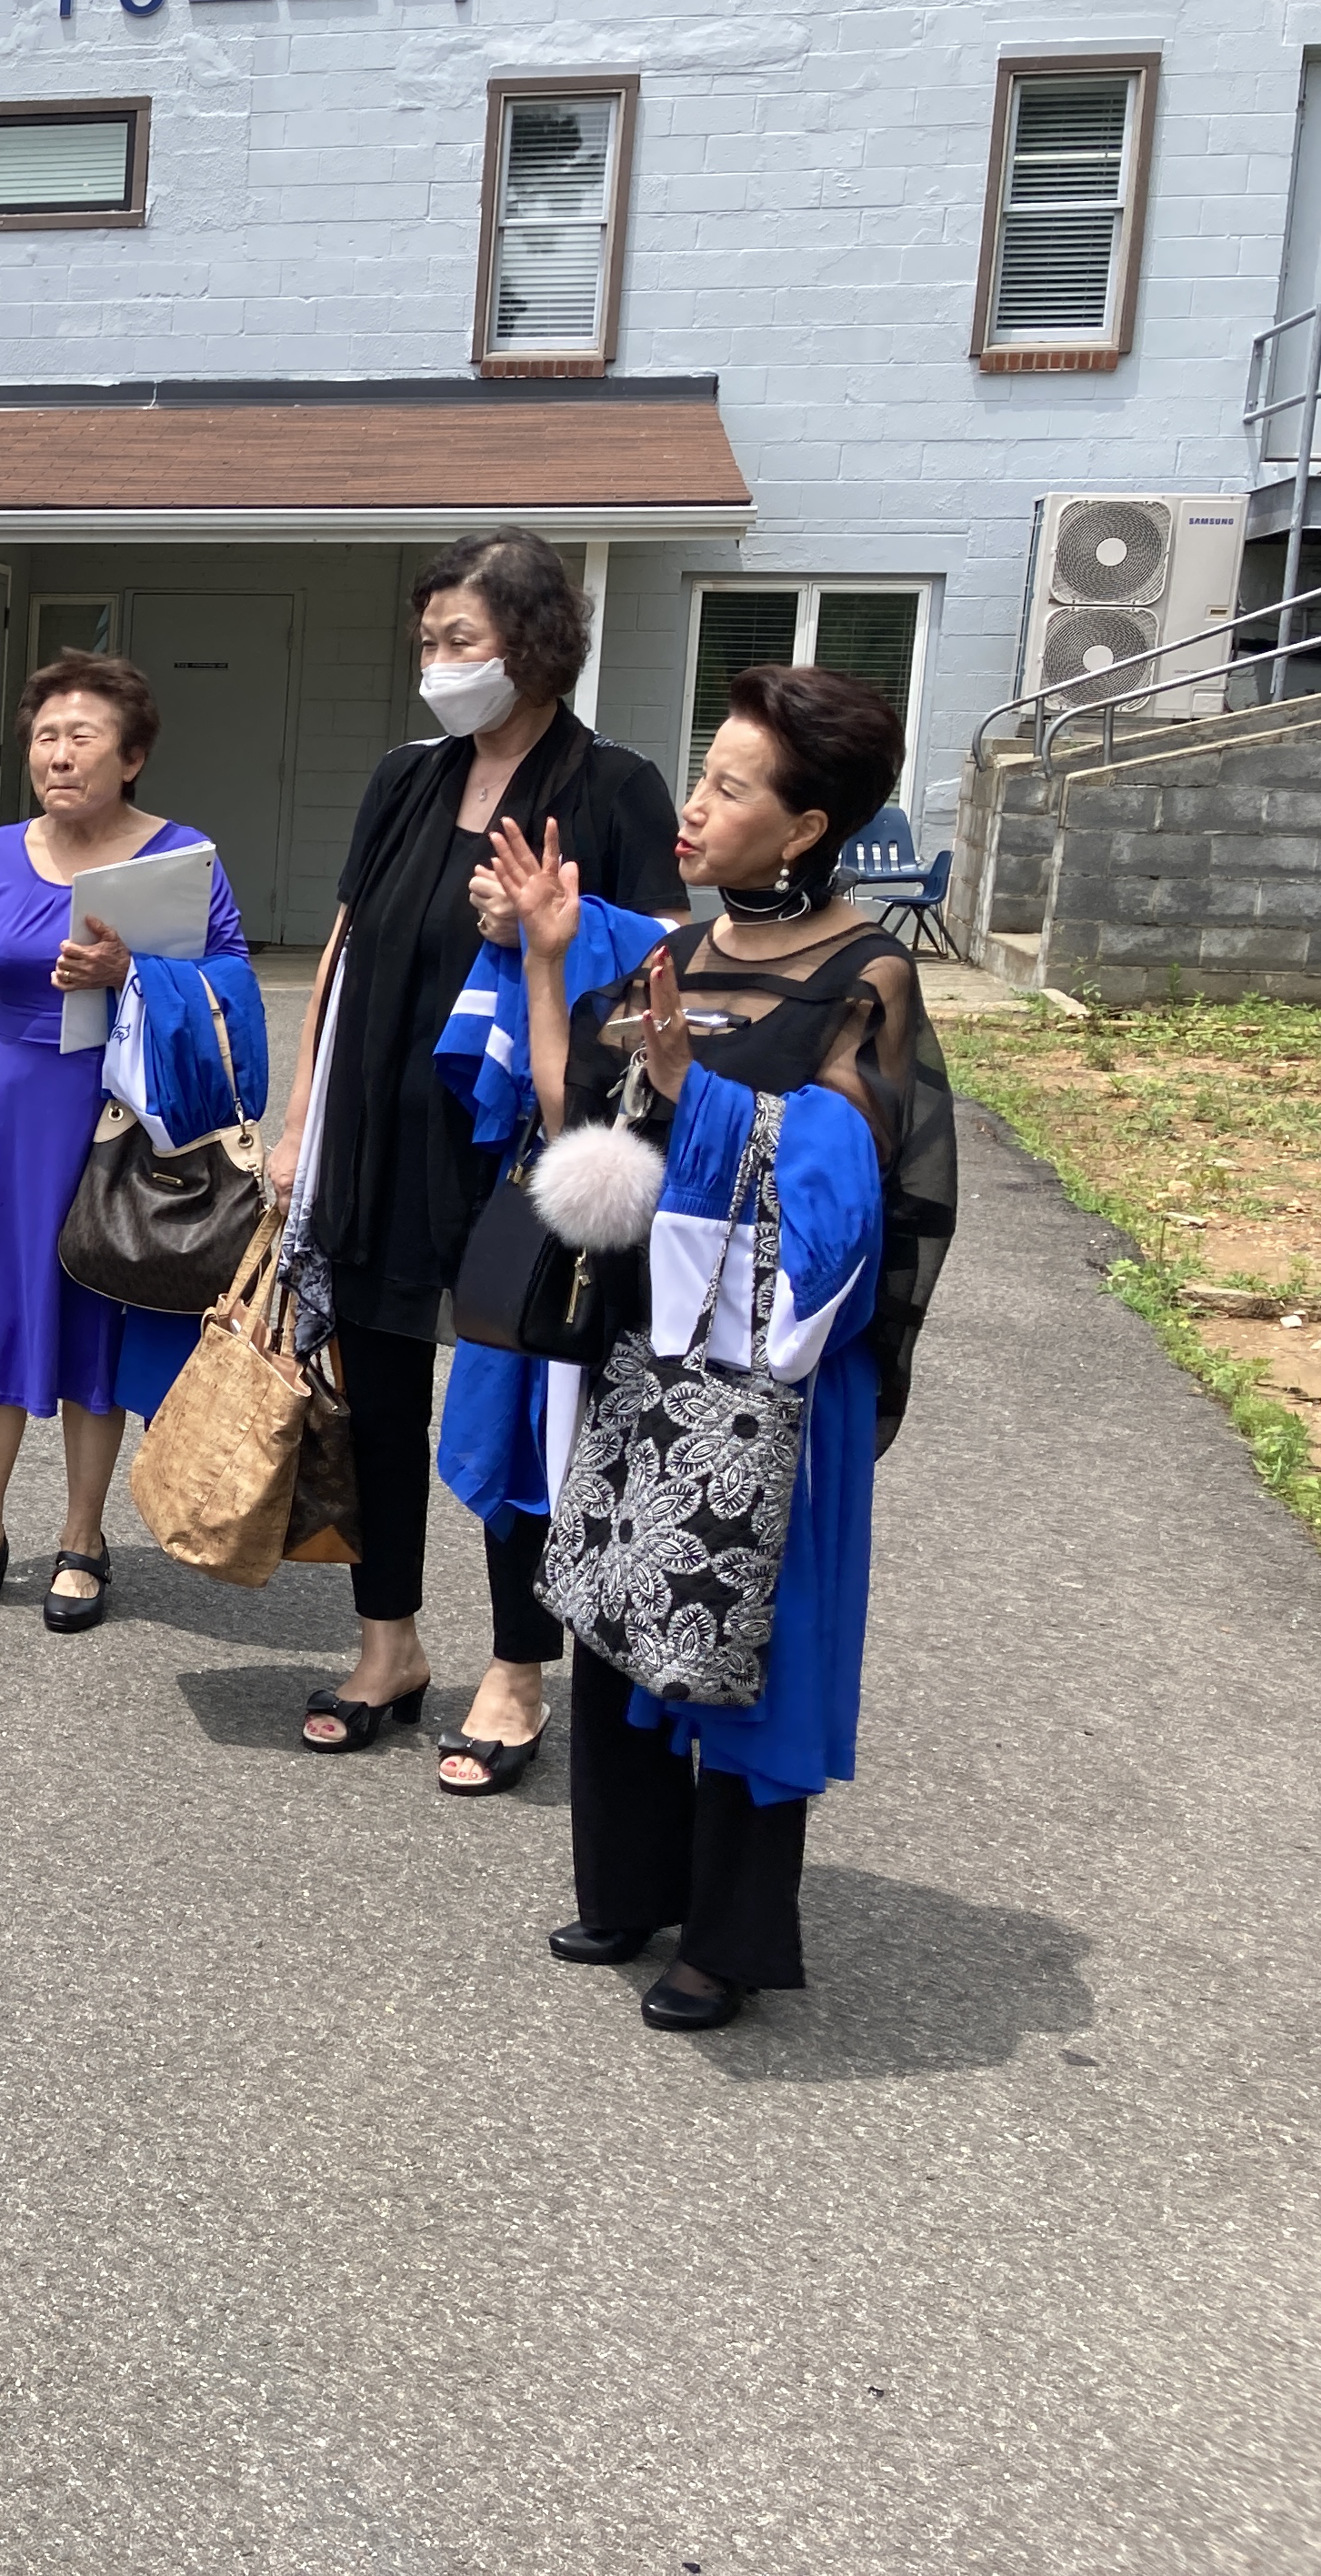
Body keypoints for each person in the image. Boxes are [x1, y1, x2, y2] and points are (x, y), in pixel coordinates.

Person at [485, 664, 953, 2026]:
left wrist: (697, 1095)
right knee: (621, 1604)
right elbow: (579, 1127)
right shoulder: (679, 956)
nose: (693, 808)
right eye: (702, 776)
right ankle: (630, 1887)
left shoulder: (865, 976)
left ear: (804, 828)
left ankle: (729, 1940)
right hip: (645, 1348)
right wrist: (546, 957)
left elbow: (844, 1197)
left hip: (773, 1377)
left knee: (751, 1634)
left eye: (730, 788)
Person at [267, 528, 689, 1783]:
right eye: (429, 641)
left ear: (536, 644)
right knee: (379, 1400)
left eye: (463, 640)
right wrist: (300, 1115)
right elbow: (342, 950)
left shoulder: (614, 786)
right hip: (375, 1138)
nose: (439, 664)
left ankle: (517, 1667)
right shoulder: (405, 778)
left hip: (518, 1153)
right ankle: (386, 1645)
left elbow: (663, 976)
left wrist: (552, 933)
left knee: (522, 1409)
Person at [0, 652, 266, 1632]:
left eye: (82, 737)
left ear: (131, 756)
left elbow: (234, 987)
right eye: (44, 737)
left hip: (117, 1119)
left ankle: (82, 1539)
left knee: (96, 1310)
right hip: (13, 1115)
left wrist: (131, 969)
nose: (57, 755)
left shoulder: (180, 858)